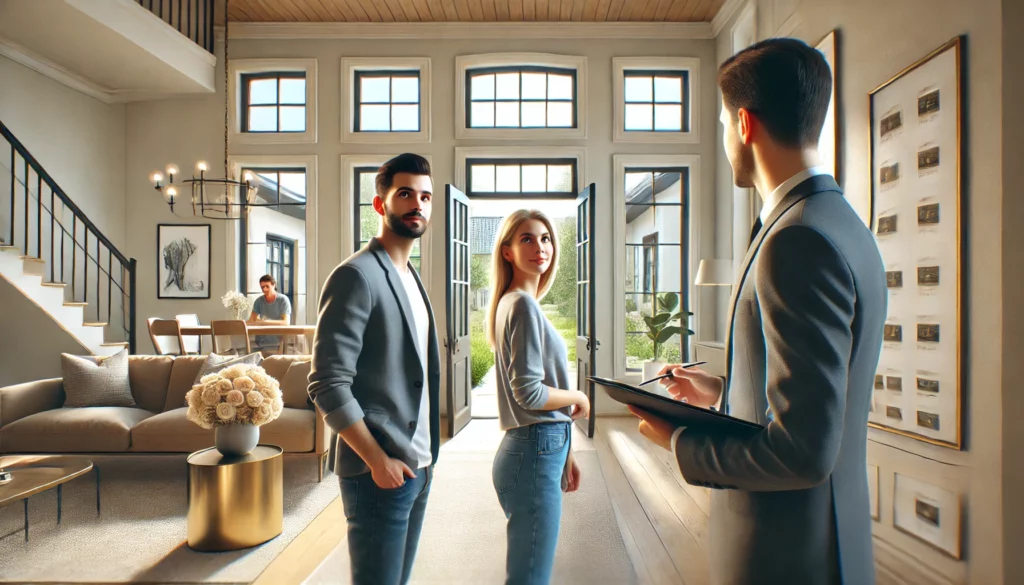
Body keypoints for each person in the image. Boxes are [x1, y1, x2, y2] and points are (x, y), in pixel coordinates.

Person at [629, 38, 887, 585]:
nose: (726, 138)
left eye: (724, 123)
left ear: (743, 123)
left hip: (787, 554)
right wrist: (724, 392)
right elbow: (819, 400)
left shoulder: (796, 240)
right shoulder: (838, 223)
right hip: (829, 539)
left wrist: (681, 442)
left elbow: (803, 453)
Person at [308, 153, 440, 585]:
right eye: (405, 194)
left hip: (417, 465)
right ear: (380, 204)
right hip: (377, 470)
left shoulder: (411, 278)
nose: (416, 204)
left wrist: (421, 461)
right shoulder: (356, 276)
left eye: (424, 196)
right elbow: (327, 382)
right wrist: (377, 460)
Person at [486, 209, 590, 585]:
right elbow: (528, 392)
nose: (539, 246)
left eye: (545, 238)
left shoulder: (513, 302)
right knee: (530, 577)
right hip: (533, 451)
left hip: (537, 450)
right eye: (526, 238)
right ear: (508, 252)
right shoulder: (523, 306)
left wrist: (568, 451)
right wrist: (578, 394)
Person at [248, 274, 291, 354]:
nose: (264, 289)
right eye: (262, 287)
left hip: (278, 341)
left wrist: (264, 322)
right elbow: (252, 320)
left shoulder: (283, 300)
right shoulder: (259, 301)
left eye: (267, 286)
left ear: (273, 285)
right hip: (261, 341)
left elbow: (286, 323)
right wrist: (240, 323)